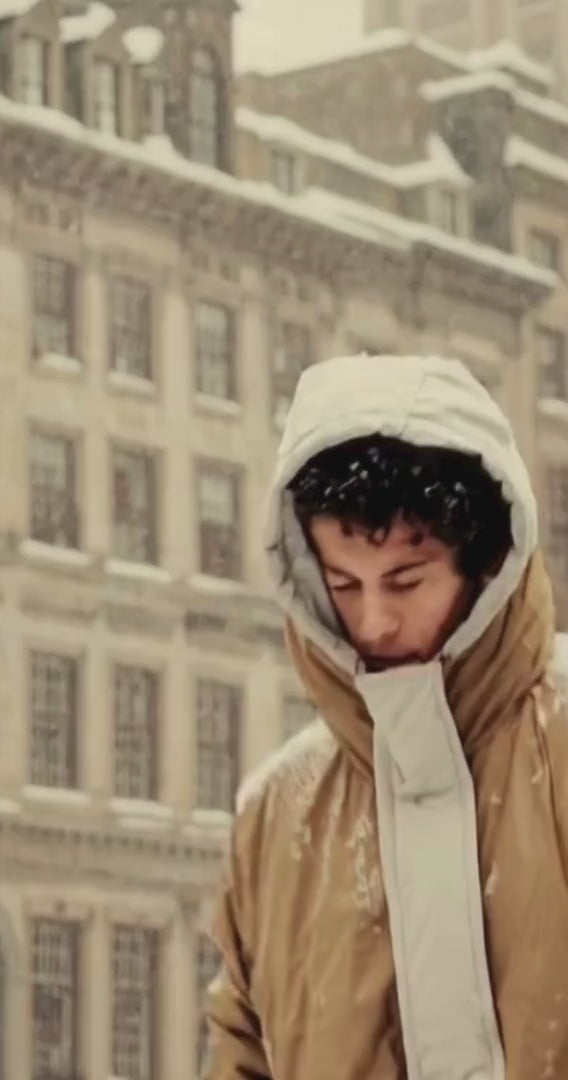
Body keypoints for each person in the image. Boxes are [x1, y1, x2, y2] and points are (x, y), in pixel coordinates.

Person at [202, 353, 568, 1080]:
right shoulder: (276, 814)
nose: (373, 620)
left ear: (485, 564)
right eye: (344, 584)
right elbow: (242, 1055)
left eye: (406, 581)